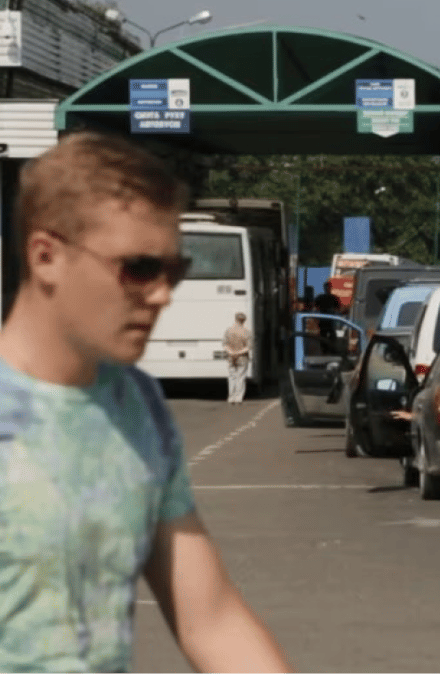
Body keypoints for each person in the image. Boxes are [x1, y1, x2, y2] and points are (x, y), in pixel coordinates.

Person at [0, 132, 290, 673]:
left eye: (173, 271)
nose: (162, 294)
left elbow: (212, 621)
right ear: (46, 256)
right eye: (138, 268)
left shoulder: (138, 404)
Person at [223, 311, 252, 404]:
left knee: (232, 377)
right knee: (241, 378)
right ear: (244, 321)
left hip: (231, 358)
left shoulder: (228, 330)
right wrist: (238, 353)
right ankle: (238, 398)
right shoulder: (247, 332)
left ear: (235, 319)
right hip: (242, 358)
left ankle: (231, 397)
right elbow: (248, 347)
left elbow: (225, 345)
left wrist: (231, 353)